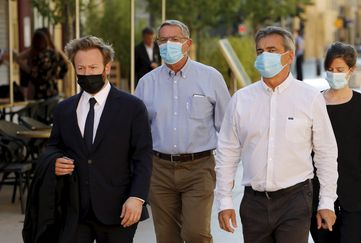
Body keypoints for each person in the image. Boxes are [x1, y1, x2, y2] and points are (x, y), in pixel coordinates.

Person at [215, 26, 338, 243]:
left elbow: (326, 153)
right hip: (254, 203)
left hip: (295, 200)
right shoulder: (241, 100)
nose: (264, 56)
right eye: (260, 52)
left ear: (289, 56)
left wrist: (326, 202)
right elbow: (227, 153)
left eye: (271, 50)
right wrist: (224, 201)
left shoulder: (309, 98)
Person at [47, 36, 153, 242]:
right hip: (75, 211)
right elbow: (53, 147)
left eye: (93, 67)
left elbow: (143, 157)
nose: (87, 73)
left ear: (107, 67)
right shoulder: (64, 109)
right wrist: (54, 161)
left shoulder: (133, 107)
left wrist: (137, 198)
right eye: (81, 68)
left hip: (119, 210)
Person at [135, 19, 231, 243]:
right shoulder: (146, 83)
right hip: (159, 170)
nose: (168, 44)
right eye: (163, 40)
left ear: (187, 44)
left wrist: (227, 174)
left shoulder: (210, 77)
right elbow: (138, 133)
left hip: (199, 169)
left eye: (174, 39)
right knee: (166, 237)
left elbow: (227, 130)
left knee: (195, 234)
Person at [309, 42, 361, 243]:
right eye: (330, 70)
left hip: (357, 193)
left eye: (339, 70)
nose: (334, 74)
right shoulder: (314, 103)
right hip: (319, 193)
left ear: (351, 70)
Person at [15, 29, 67, 100]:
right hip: (53, 91)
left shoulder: (34, 56)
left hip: (38, 93)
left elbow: (18, 58)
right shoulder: (54, 53)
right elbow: (65, 65)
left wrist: (28, 69)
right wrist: (58, 76)